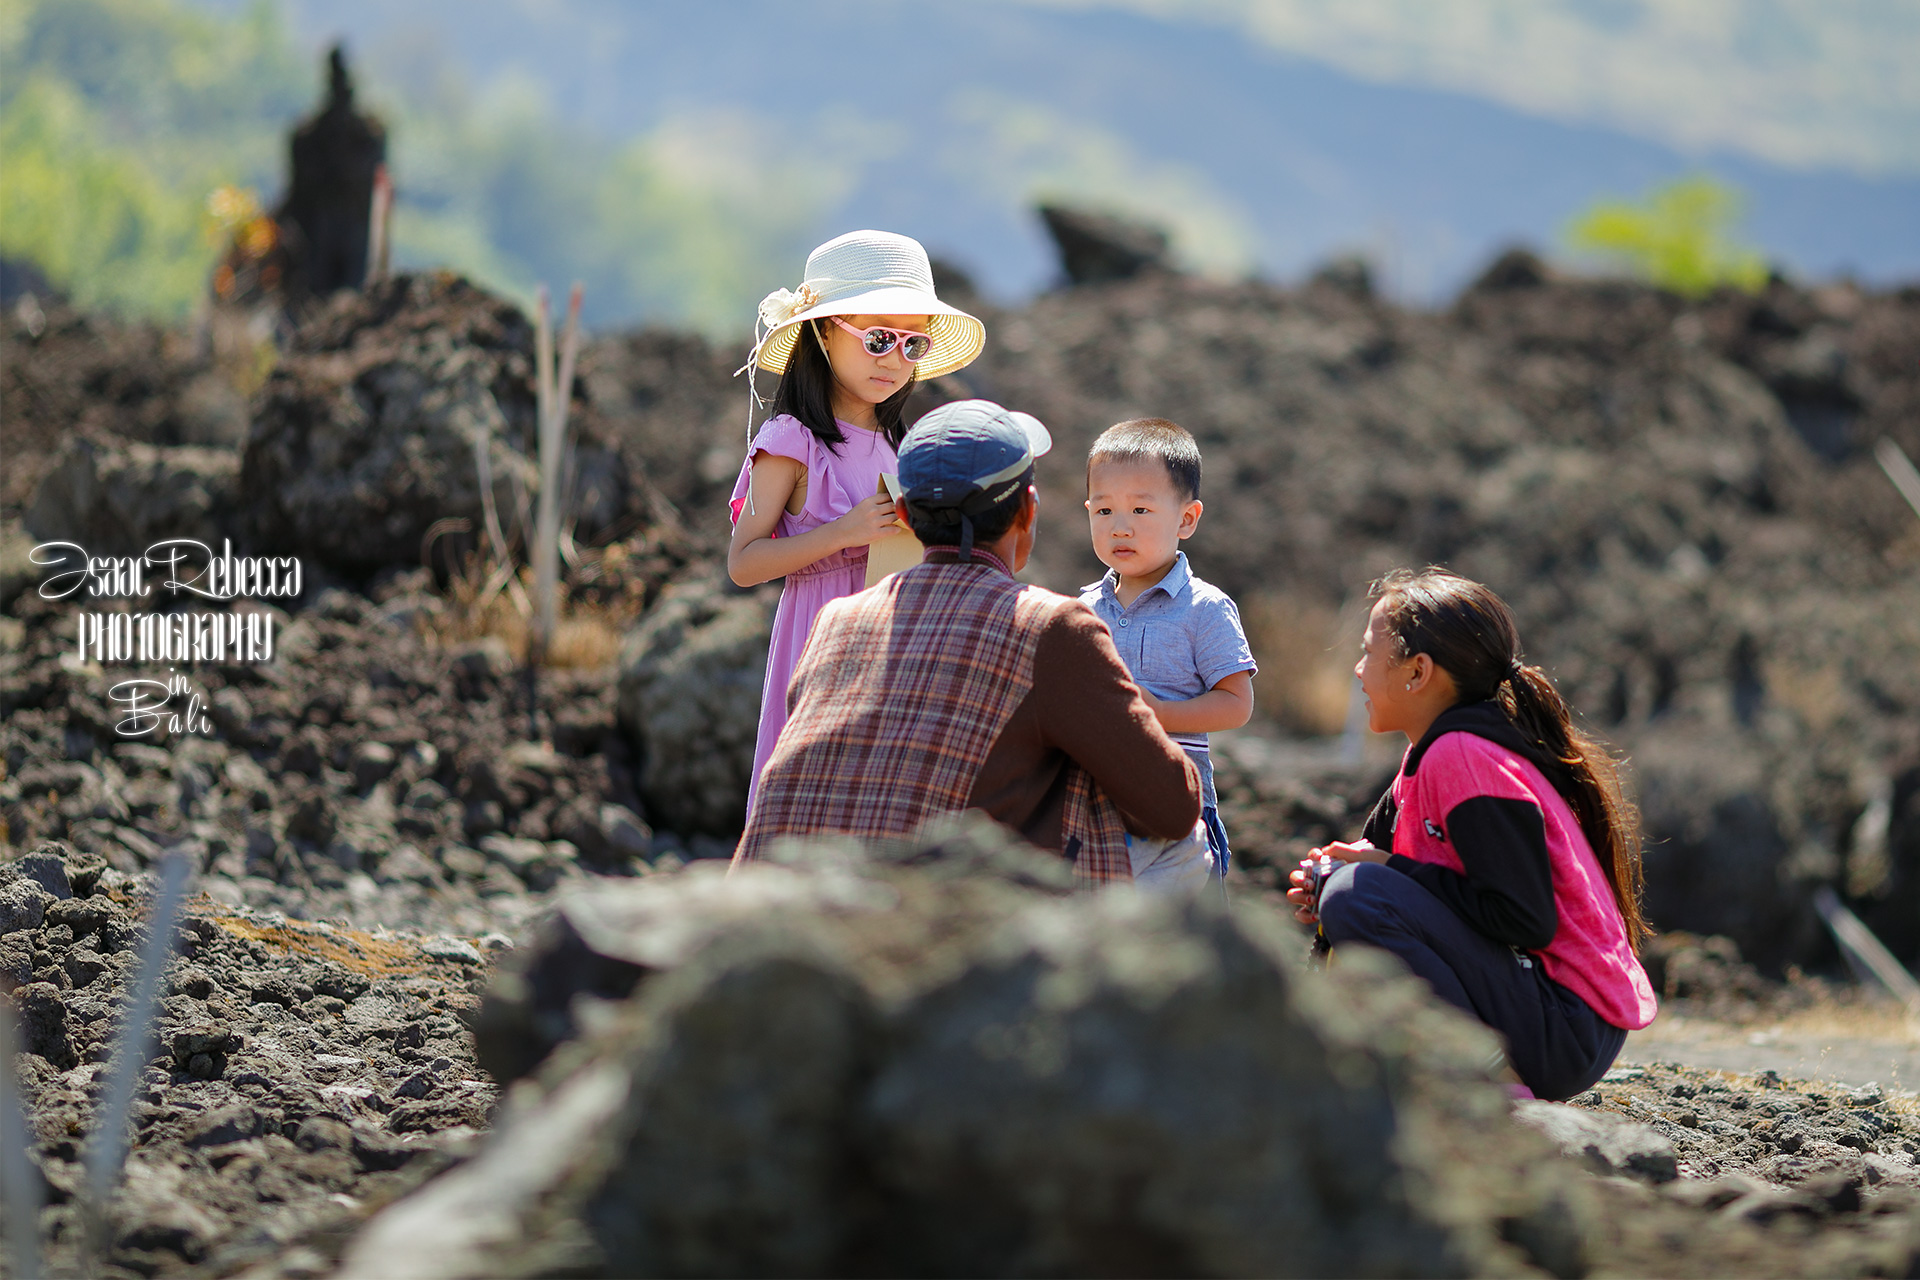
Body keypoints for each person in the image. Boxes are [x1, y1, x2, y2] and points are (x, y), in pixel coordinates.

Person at [732, 399, 1202, 881]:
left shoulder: (837, 621)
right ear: (1028, 510)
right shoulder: (1051, 627)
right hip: (929, 926)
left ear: (905, 516)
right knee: (1188, 844)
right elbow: (1171, 806)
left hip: (770, 917)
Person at [1289, 567, 1656, 1101]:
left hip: (1564, 1026)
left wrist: (1376, 877)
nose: (1358, 669)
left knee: (1357, 897)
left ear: (1417, 673)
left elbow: (1523, 917)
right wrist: (1328, 882)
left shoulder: (1463, 757)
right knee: (1349, 895)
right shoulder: (1431, 755)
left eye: (1370, 652)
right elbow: (1395, 878)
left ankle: (1490, 1085)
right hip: (1547, 1017)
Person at [727, 229, 986, 798]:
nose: (895, 360)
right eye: (877, 340)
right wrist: (842, 532)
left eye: (912, 345)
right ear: (821, 332)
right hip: (816, 638)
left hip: (889, 644)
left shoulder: (900, 444)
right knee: (813, 798)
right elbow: (744, 564)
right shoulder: (791, 439)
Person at [1080, 418, 1256, 892]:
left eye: (1140, 509)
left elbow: (1237, 703)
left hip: (1176, 812)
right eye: (1103, 511)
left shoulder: (1205, 607)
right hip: (1092, 809)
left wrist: (1160, 714)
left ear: (1186, 519)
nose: (1120, 527)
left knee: (1179, 948)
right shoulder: (1081, 610)